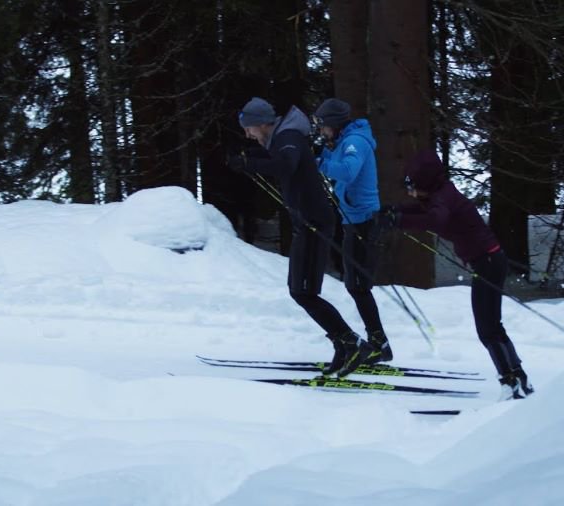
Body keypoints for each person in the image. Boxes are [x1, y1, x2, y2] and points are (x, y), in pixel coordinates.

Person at [227, 97, 372, 377]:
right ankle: (344, 344)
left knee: (303, 292)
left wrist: (247, 163)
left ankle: (351, 343)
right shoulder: (283, 138)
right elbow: (278, 158)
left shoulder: (288, 136)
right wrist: (247, 156)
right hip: (307, 223)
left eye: (249, 128)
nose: (248, 134)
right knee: (301, 291)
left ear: (262, 123)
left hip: (314, 223)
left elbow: (285, 165)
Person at [381, 149, 534, 400]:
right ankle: (518, 378)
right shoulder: (441, 193)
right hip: (490, 260)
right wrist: (395, 211)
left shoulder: (442, 199)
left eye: (413, 187)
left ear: (425, 183)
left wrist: (399, 221)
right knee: (492, 326)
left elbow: (434, 220)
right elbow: (423, 210)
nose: (410, 193)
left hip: (487, 262)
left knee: (487, 329)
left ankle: (511, 382)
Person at [313, 98, 392, 364]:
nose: (321, 130)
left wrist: (318, 162)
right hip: (353, 219)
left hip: (363, 221)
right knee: (356, 285)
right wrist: (321, 154)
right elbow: (335, 162)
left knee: (358, 286)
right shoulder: (345, 141)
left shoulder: (355, 141)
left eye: (323, 125)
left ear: (334, 124)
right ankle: (379, 342)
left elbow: (347, 171)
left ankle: (380, 344)